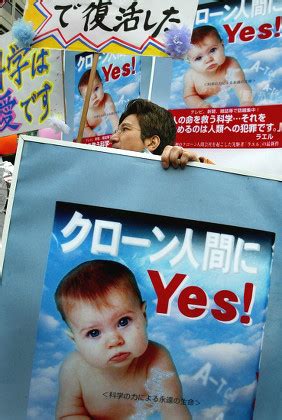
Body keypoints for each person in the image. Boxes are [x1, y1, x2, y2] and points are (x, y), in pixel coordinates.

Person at [55, 259, 192, 420]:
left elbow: (172, 407)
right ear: (75, 341)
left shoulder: (156, 358)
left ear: (144, 316)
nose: (114, 341)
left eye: (123, 322)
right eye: (93, 333)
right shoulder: (73, 369)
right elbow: (69, 414)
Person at [110, 98, 212, 169]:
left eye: (125, 129)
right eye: (116, 131)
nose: (112, 138)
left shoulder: (180, 180)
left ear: (152, 143)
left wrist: (197, 170)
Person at [183, 25, 254, 109]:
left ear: (222, 45)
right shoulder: (190, 76)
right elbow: (189, 96)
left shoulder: (230, 63)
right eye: (198, 58)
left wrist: (246, 102)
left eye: (212, 50)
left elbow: (241, 84)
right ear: (189, 62)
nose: (208, 59)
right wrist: (201, 105)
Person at [78, 69, 119, 138]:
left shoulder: (106, 97)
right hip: (91, 127)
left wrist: (116, 127)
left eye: (96, 89)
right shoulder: (84, 110)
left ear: (102, 85)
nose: (94, 96)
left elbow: (113, 114)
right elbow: (84, 127)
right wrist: (90, 133)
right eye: (88, 95)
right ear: (84, 100)